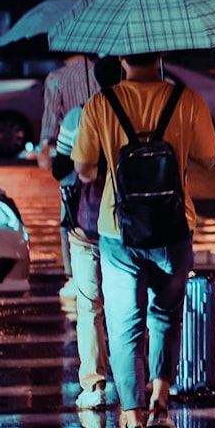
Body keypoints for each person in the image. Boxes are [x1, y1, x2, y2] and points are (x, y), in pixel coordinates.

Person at [72, 52, 215, 428]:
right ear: (161, 55)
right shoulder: (187, 100)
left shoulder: (102, 103)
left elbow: (84, 168)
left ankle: (132, 423)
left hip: (119, 231)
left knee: (124, 327)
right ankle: (161, 406)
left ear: (121, 57)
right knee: (166, 317)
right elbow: (206, 159)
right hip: (174, 227)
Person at [49, 57, 122, 410]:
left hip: (88, 222)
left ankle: (93, 383)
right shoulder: (142, 111)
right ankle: (133, 383)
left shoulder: (80, 114)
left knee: (90, 305)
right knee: (130, 307)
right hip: (130, 225)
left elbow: (60, 167)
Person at [39, 55, 104, 300]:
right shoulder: (111, 70)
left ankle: (74, 275)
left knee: (71, 219)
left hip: (73, 157)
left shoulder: (57, 79)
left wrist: (46, 148)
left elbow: (49, 124)